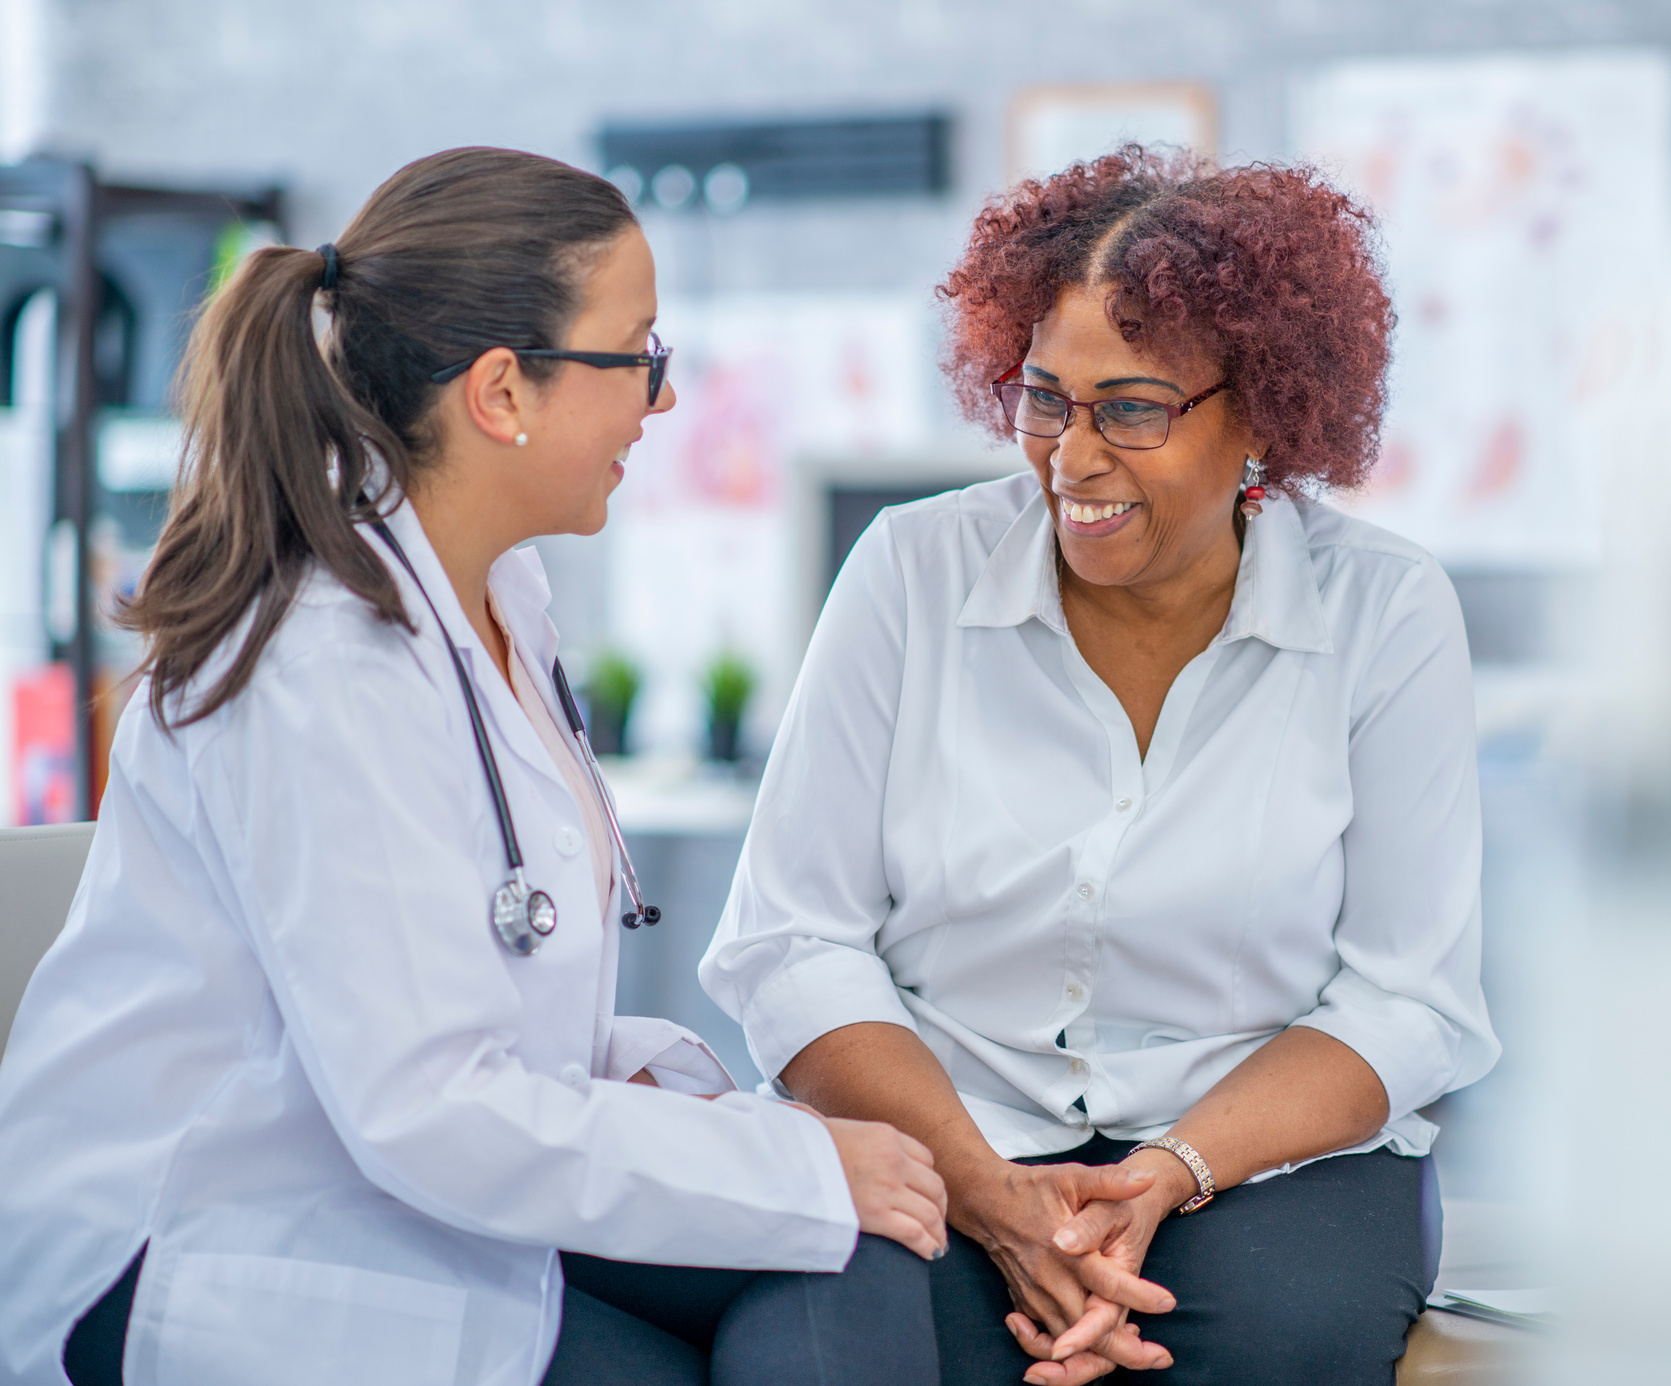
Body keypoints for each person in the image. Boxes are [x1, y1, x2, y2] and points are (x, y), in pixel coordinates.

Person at [0, 148, 945, 1386]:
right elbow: (428, 1105)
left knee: (857, 1261)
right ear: (503, 392)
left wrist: (717, 1115)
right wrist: (797, 1165)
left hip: (406, 1173)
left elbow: (468, 988)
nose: (661, 403)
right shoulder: (319, 661)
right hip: (216, 1243)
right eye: (639, 355)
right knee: (826, 1233)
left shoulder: (498, 593)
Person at [700, 146, 1502, 1385]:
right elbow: (794, 942)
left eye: (1131, 409)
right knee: (861, 1340)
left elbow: (1407, 998)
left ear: (1263, 416)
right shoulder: (912, 574)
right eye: (1044, 399)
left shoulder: (1386, 613)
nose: (1071, 460)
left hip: (1256, 1158)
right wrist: (982, 1189)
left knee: (1276, 1345)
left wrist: (1168, 1170)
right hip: (936, 1127)